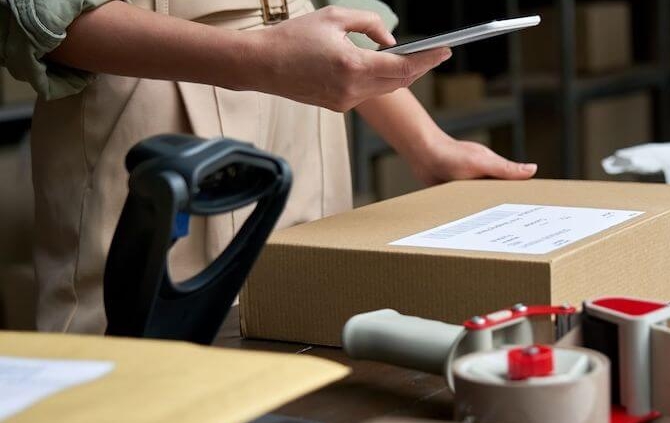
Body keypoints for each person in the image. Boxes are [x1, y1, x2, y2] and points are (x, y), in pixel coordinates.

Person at [0, 0, 538, 333]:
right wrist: (259, 60)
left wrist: (428, 145)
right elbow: (41, 17)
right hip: (153, 84)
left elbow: (340, 10)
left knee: (308, 332)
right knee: (140, 363)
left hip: (301, 94)